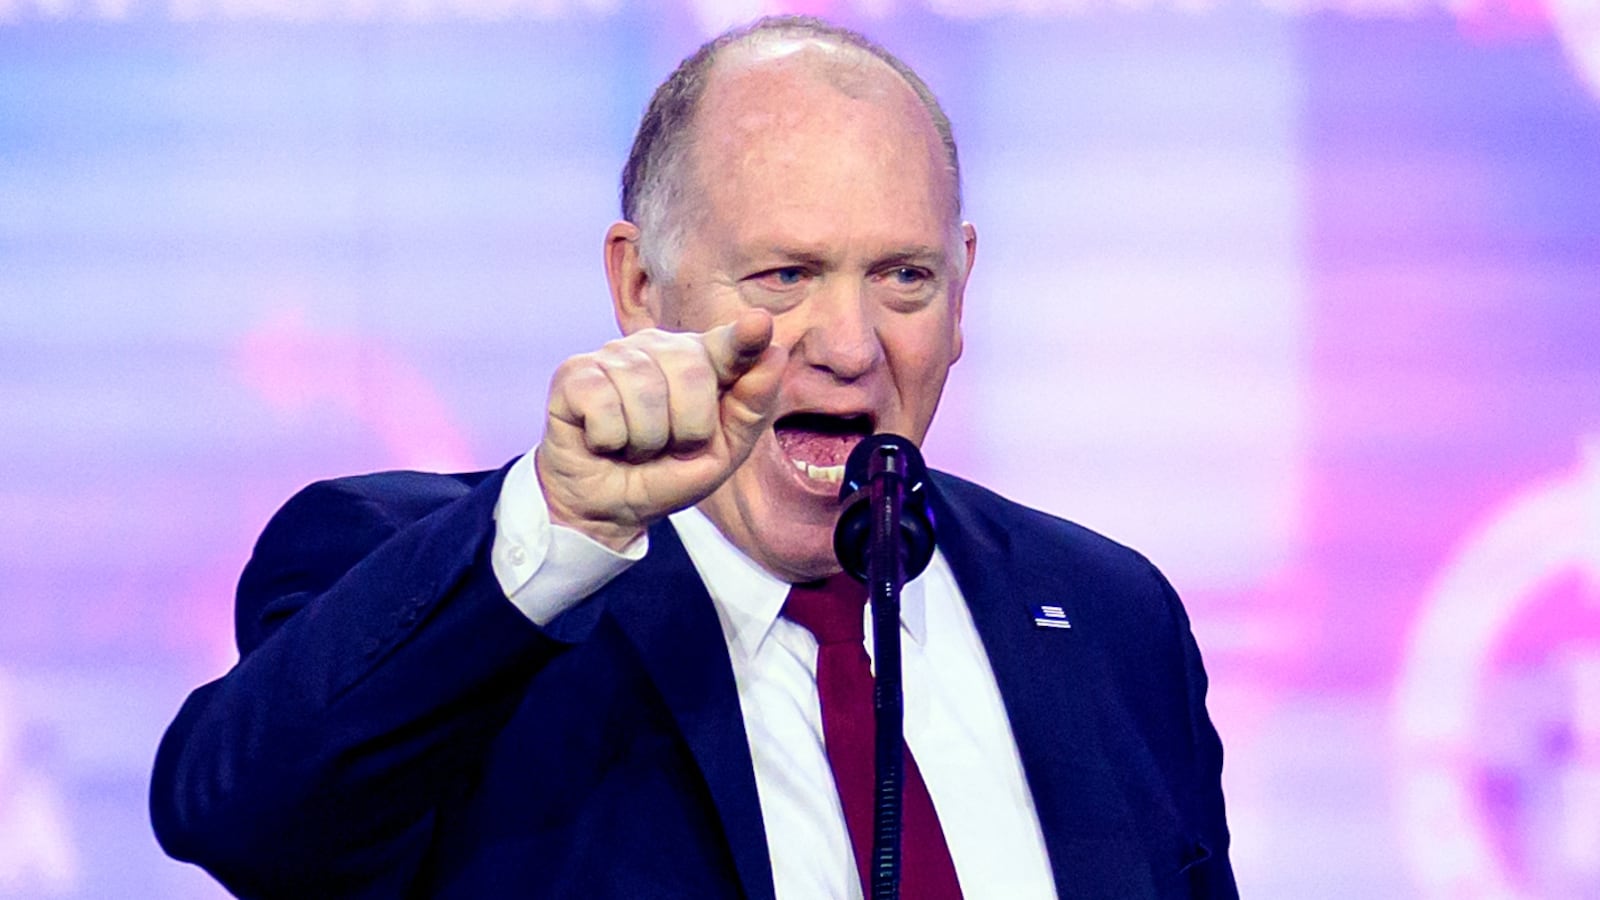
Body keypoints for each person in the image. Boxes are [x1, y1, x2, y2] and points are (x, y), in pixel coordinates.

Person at [151, 15, 1235, 899]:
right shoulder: (440, 582)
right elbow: (240, 819)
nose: (851, 347)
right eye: (782, 275)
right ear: (639, 289)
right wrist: (561, 530)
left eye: (903, 277)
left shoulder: (1105, 614)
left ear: (962, 290)